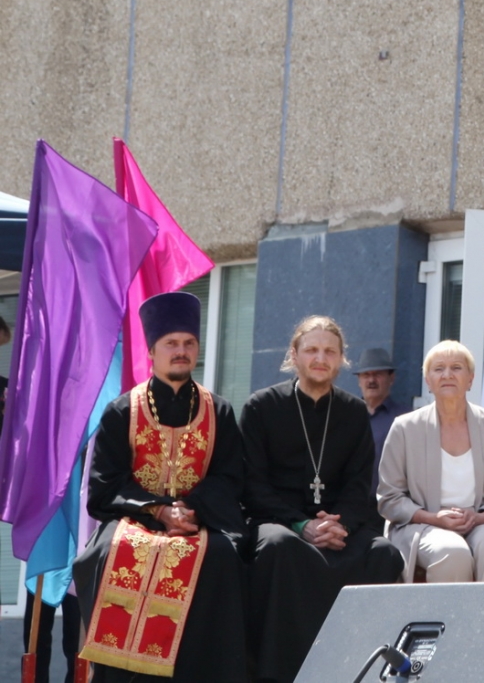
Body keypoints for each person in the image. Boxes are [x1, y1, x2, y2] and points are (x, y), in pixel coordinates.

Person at [72, 292, 248, 682]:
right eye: (171, 343)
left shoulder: (219, 411)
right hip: (134, 518)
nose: (181, 351)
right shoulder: (122, 411)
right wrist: (158, 508)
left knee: (222, 556)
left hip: (200, 520)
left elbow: (229, 478)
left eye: (189, 343)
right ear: (152, 351)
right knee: (111, 552)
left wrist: (190, 508)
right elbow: (106, 483)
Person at [241, 315, 405, 683]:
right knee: (279, 546)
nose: (320, 358)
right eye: (312, 350)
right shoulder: (261, 407)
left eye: (330, 351)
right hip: (278, 520)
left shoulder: (353, 412)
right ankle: (279, 673)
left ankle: (361, 668)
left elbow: (359, 484)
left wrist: (338, 524)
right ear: (294, 355)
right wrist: (301, 524)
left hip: (337, 525)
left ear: (341, 359)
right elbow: (253, 485)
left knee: (383, 553)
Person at [378, 340, 484, 583]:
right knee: (452, 551)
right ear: (428, 381)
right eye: (439, 368)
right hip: (422, 525)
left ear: (470, 379)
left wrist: (480, 517)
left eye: (457, 368)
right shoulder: (404, 428)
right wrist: (432, 518)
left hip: (482, 523)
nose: (447, 375)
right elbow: (389, 498)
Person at [354, 346, 410, 529]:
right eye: (366, 375)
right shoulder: (346, 416)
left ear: (391, 378)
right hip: (352, 507)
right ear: (359, 380)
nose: (371, 380)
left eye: (377, 374)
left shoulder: (406, 419)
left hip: (392, 509)